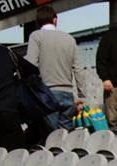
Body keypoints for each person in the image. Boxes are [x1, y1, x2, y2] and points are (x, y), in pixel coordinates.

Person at [25, 4, 85, 133]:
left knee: (50, 135)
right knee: (65, 135)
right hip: (68, 94)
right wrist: (81, 95)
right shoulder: (69, 39)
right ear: (55, 20)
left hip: (47, 93)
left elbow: (30, 64)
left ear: (38, 22)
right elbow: (78, 69)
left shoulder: (36, 36)